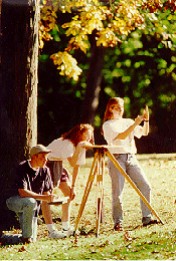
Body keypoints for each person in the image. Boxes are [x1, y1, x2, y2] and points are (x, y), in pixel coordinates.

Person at [102, 97, 158, 231]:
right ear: (111, 108)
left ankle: (147, 217)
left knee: (145, 185)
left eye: (122, 107)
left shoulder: (127, 121)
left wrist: (146, 121)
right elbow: (120, 137)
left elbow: (144, 132)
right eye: (118, 107)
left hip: (130, 157)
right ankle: (118, 222)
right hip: (116, 158)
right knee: (118, 192)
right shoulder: (108, 125)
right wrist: (135, 123)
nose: (121, 110)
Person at [6, 144, 66, 244]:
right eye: (42, 157)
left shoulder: (45, 170)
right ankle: (25, 237)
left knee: (32, 240)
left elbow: (46, 193)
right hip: (14, 201)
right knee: (31, 202)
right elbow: (22, 192)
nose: (45, 160)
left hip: (32, 206)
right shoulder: (22, 168)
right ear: (34, 157)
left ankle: (7, 238)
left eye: (46, 157)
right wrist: (44, 197)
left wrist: (52, 199)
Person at [42, 123, 94, 237]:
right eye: (87, 135)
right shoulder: (68, 143)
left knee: (70, 194)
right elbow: (72, 162)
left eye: (90, 136)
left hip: (58, 164)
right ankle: (51, 230)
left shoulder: (80, 146)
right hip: (46, 164)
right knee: (46, 197)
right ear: (79, 134)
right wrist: (80, 147)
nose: (89, 139)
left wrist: (73, 186)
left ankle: (66, 226)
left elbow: (77, 166)